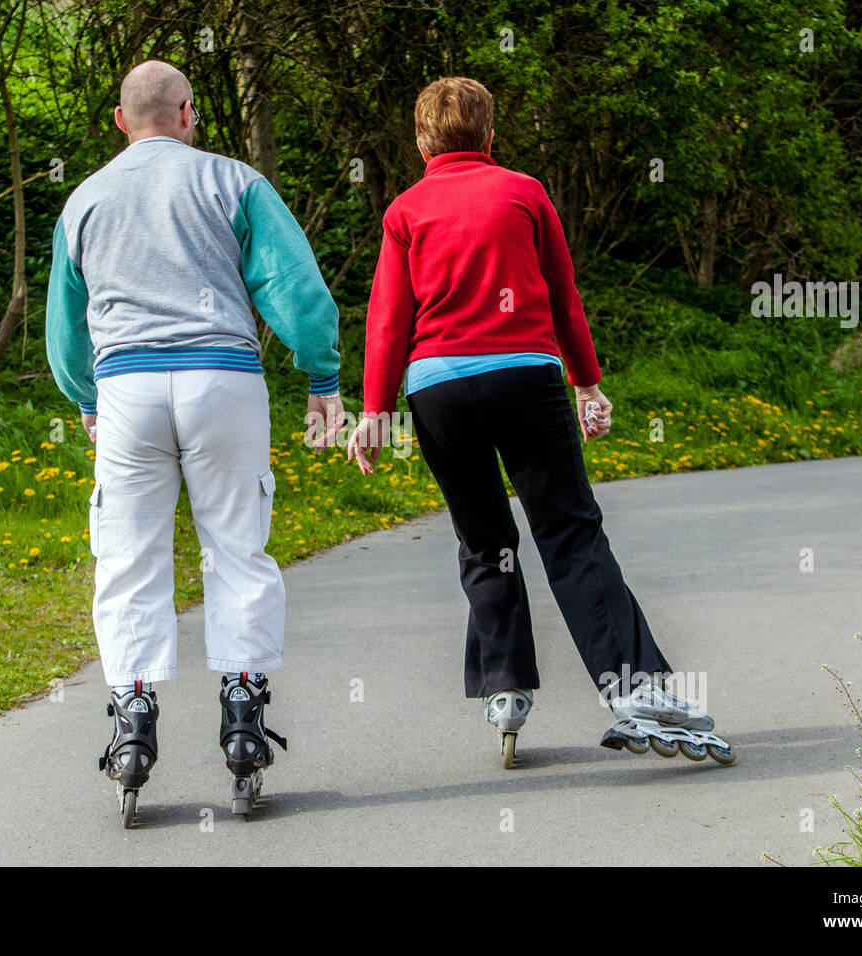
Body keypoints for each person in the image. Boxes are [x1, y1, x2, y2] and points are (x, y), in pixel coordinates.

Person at [348, 76, 733, 769]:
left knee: (484, 538)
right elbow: (561, 294)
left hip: (438, 389)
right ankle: (631, 687)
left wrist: (374, 411)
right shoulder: (523, 192)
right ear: (491, 136)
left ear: (419, 140)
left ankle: (505, 687)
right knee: (569, 530)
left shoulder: (405, 210)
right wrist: (588, 385)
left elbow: (388, 317)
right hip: (526, 378)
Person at [46, 60, 345, 823]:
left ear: (121, 121)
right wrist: (322, 374)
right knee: (237, 549)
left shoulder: (85, 200)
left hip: (129, 391)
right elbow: (296, 289)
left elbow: (64, 327)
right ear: (188, 113)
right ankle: (243, 713)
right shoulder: (234, 182)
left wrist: (85, 395)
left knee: (130, 556)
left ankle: (133, 719)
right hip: (222, 382)